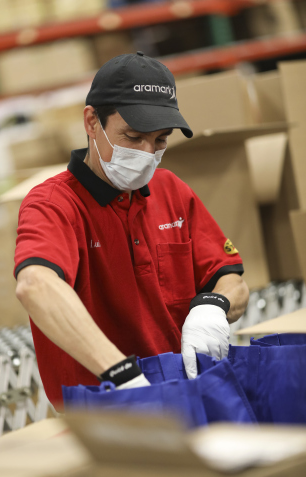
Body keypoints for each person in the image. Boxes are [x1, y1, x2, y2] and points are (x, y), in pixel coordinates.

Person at [14, 52, 249, 410]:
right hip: (106, 411)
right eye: (134, 136)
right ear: (92, 122)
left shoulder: (171, 191)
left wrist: (214, 306)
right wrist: (120, 373)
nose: (147, 153)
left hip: (187, 399)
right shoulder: (54, 205)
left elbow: (233, 280)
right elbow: (35, 285)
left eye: (160, 140)